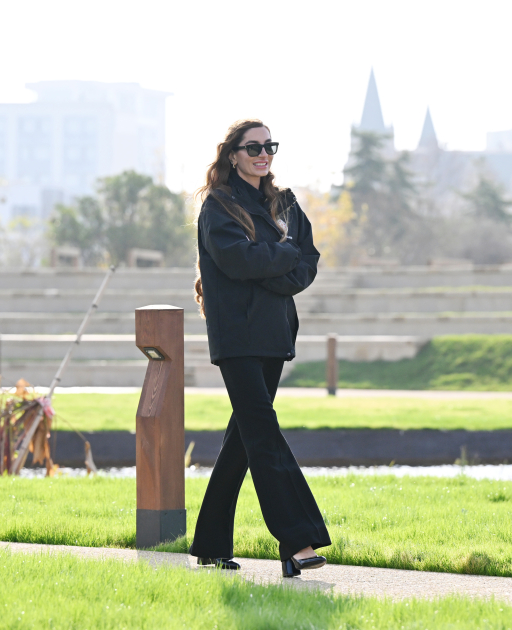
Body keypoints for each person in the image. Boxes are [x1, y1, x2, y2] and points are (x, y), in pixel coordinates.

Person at [188, 119, 331, 578]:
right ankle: (297, 540)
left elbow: (307, 261)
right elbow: (236, 260)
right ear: (232, 154)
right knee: (262, 433)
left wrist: (276, 263)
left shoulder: (285, 202)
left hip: (274, 334)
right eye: (253, 147)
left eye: (269, 146)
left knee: (243, 440)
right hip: (237, 338)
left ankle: (210, 543)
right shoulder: (218, 207)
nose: (263, 154)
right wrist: (283, 256)